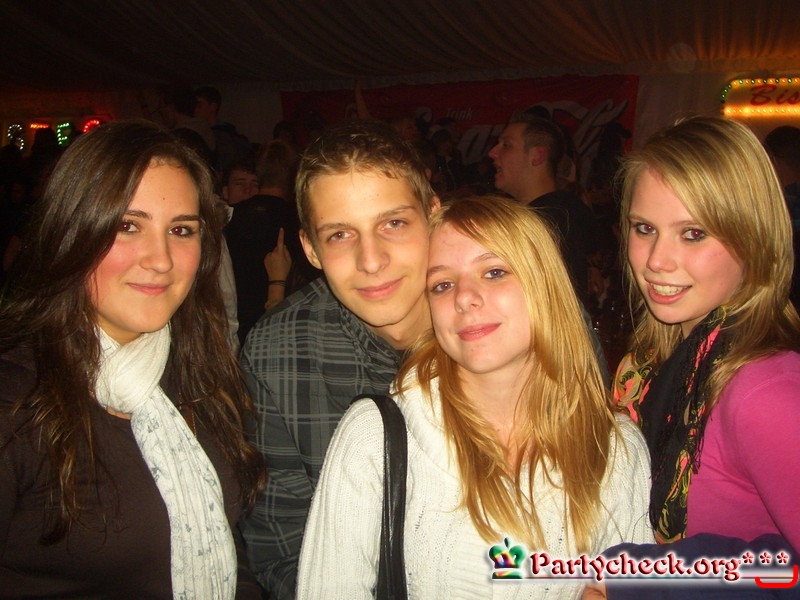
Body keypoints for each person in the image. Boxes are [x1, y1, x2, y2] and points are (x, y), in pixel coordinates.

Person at [296, 196, 653, 599]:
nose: (463, 297)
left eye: (494, 272)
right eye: (442, 285)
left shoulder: (616, 448)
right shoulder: (375, 437)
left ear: (546, 285)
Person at [0, 120, 266, 598]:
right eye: (128, 226)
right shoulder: (15, 401)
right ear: (72, 231)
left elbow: (223, 540)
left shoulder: (195, 370)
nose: (161, 259)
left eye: (181, 230)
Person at [587, 115, 800, 599]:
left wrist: (644, 582)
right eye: (644, 228)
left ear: (754, 238)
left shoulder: (766, 393)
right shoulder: (646, 365)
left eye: (693, 233)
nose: (656, 260)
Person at [239, 118, 440, 598]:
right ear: (310, 249)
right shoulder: (278, 350)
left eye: (394, 223)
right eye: (340, 235)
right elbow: (282, 544)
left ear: (433, 215)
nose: (371, 260)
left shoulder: (515, 319)